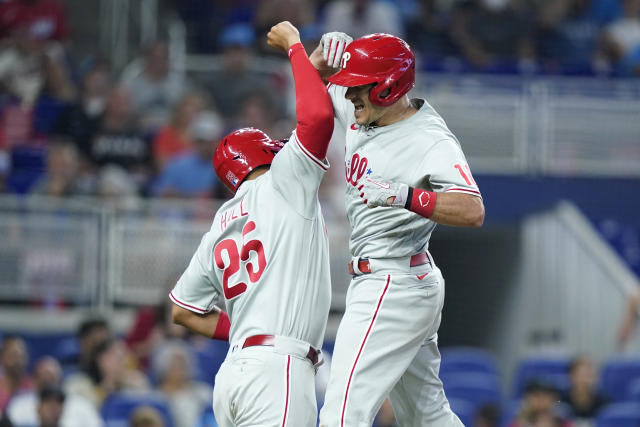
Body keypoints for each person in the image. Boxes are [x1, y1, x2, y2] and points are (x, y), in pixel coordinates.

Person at [309, 31, 485, 426]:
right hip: (402, 277)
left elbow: (473, 210)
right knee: (426, 415)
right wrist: (316, 60)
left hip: (392, 282)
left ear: (387, 87)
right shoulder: (365, 107)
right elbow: (318, 86)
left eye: (358, 87)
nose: (349, 94)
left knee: (342, 412)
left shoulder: (429, 140)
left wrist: (405, 195)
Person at [169, 21, 334, 427]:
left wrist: (243, 328)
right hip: (278, 370)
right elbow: (317, 118)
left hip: (234, 374)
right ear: (265, 153)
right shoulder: (284, 182)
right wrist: (296, 48)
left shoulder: (221, 222)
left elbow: (182, 312)